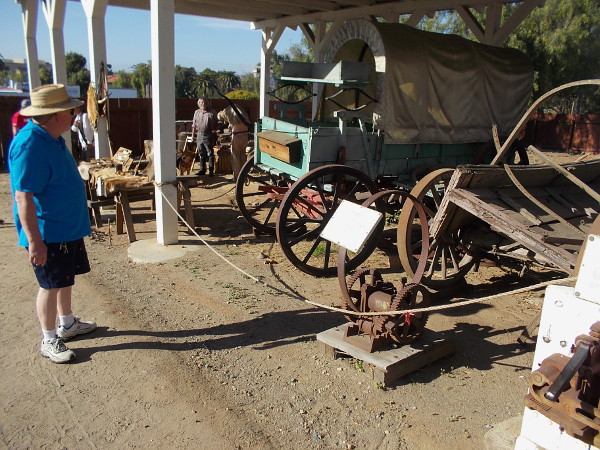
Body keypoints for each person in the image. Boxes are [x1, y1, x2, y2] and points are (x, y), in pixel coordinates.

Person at [8, 84, 97, 364]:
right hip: (49, 231)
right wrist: (34, 240)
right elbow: (23, 196)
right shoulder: (30, 143)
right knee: (49, 285)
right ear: (57, 114)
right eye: (70, 110)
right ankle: (49, 338)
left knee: (63, 279)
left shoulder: (52, 137)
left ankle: (67, 323)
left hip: (66, 228)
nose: (74, 115)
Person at [191, 96, 217, 176]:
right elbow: (194, 125)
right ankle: (202, 170)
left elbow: (219, 123)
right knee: (201, 153)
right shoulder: (196, 112)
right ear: (198, 103)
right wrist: (193, 136)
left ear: (208, 103)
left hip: (209, 134)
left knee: (210, 153)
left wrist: (215, 130)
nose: (203, 104)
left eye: (205, 102)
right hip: (199, 134)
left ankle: (211, 171)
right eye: (201, 102)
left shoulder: (212, 112)